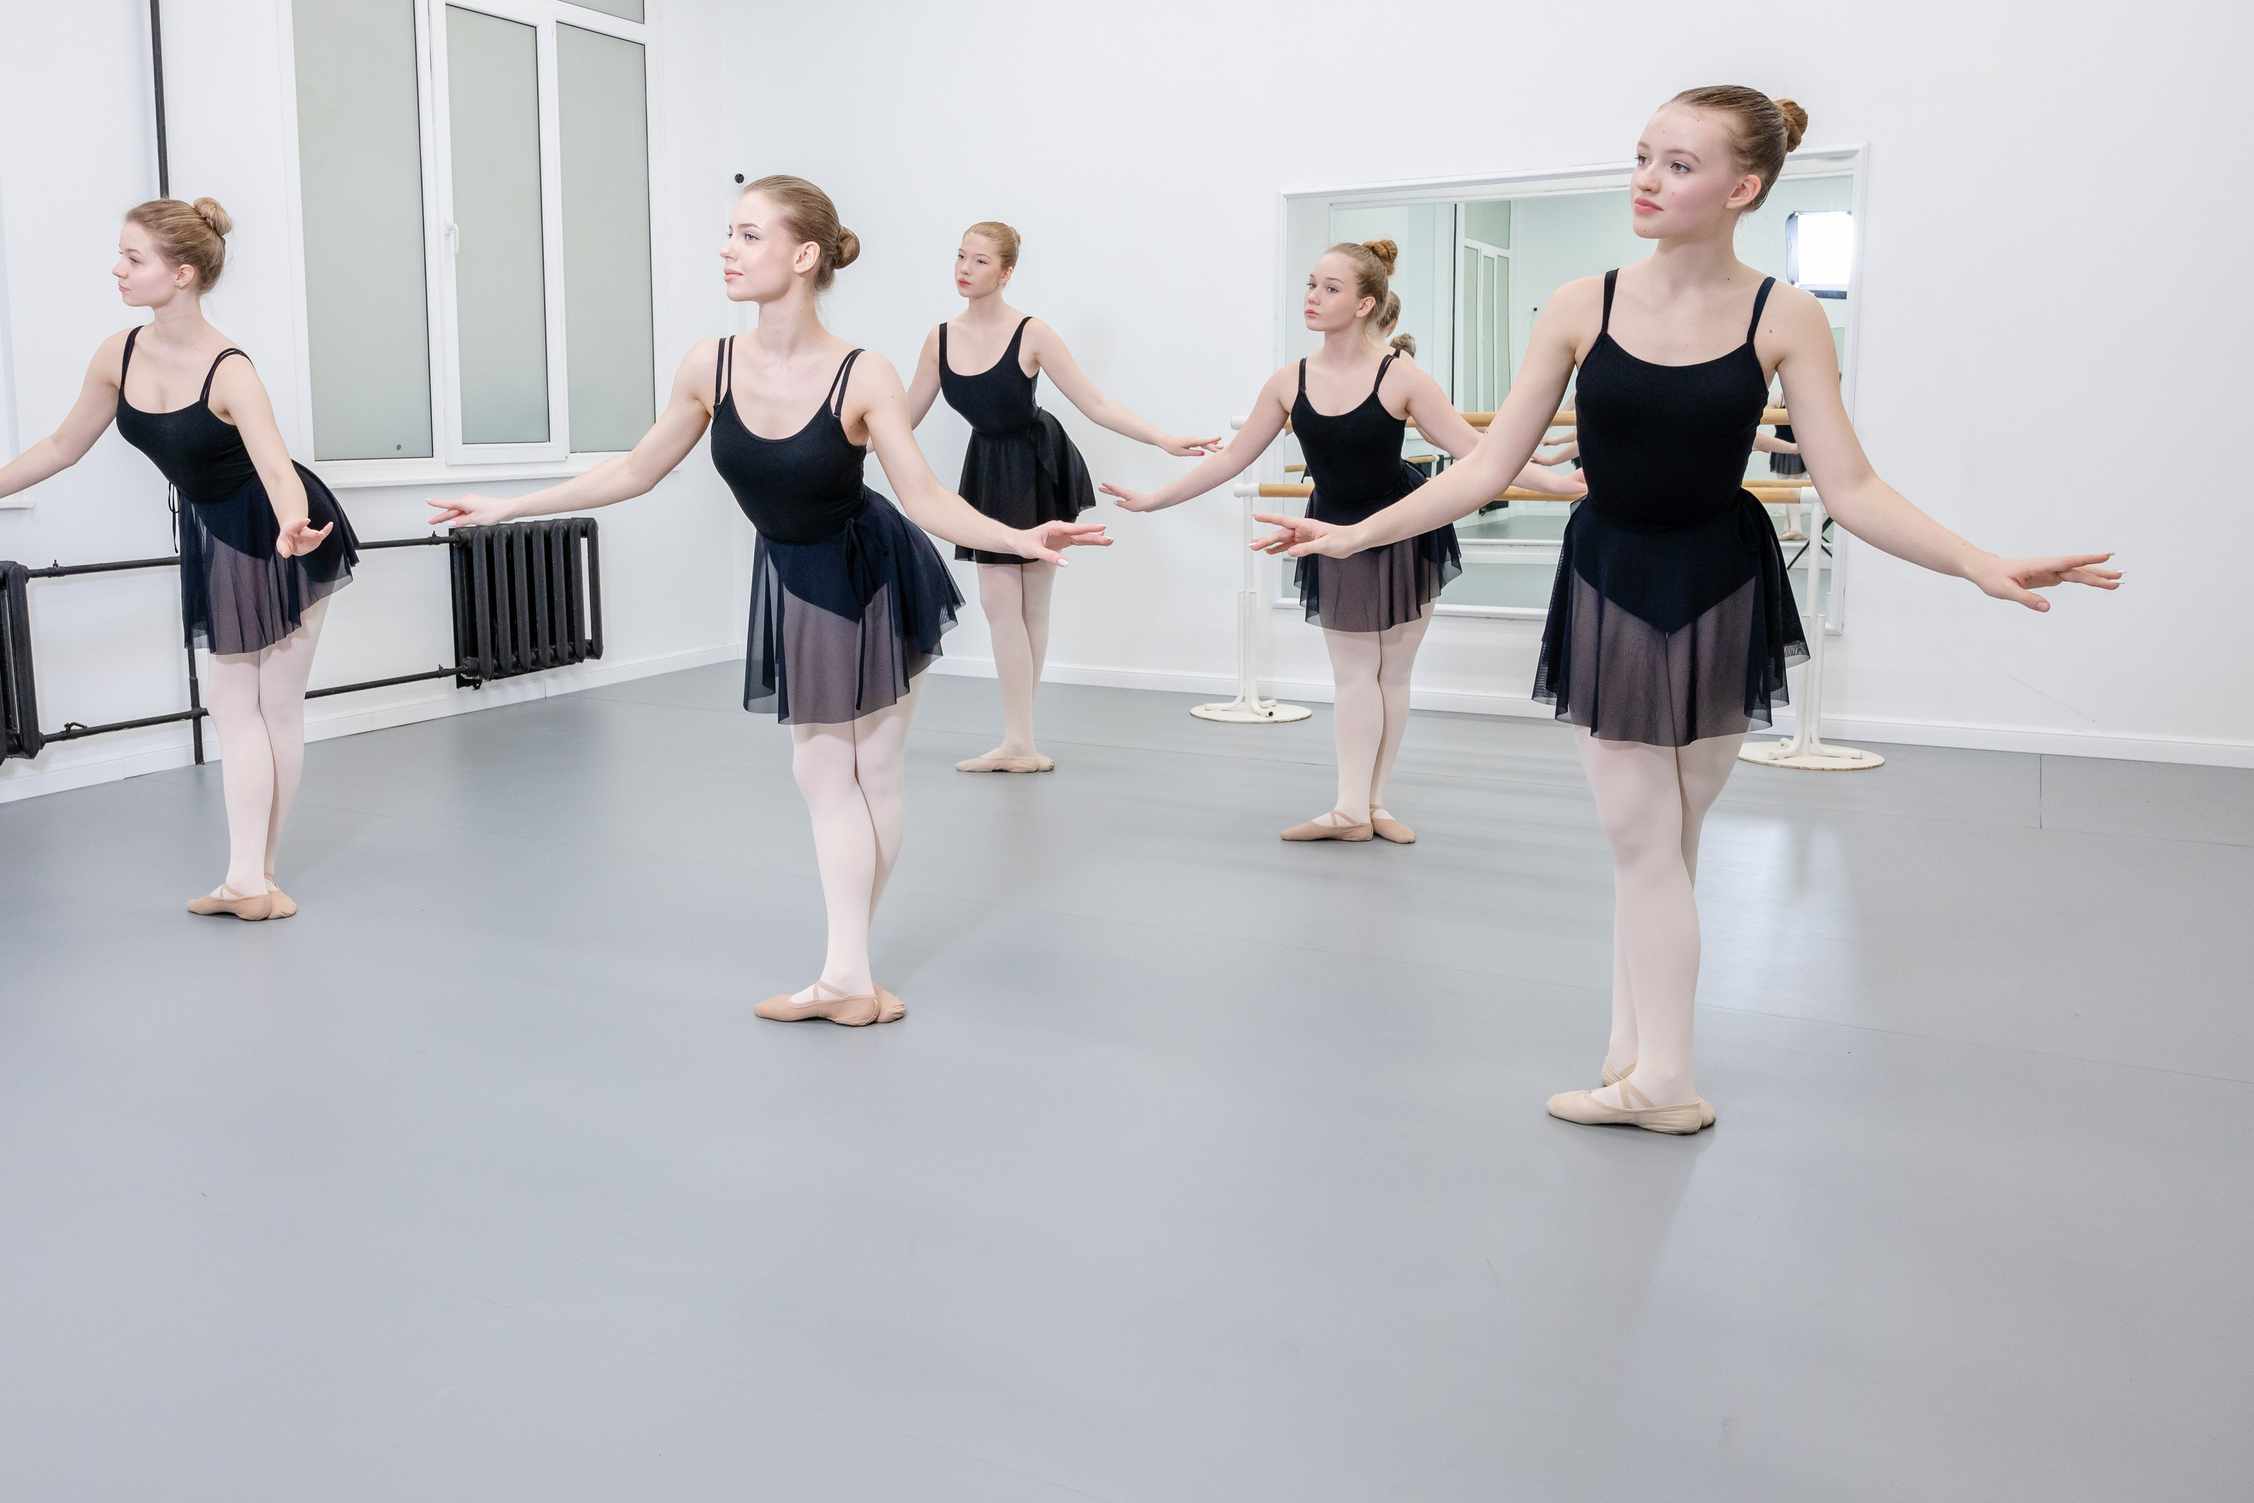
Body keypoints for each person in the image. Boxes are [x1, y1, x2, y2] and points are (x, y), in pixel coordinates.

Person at [1256, 89, 2119, 1134]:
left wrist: (1977, 562)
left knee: (1664, 838)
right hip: (1612, 576)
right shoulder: (1582, 305)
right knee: (1645, 836)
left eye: (1677, 164)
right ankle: (1637, 1055)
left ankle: (1660, 1076)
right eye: (1641, 157)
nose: (1646, 180)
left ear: (1742, 187)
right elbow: (1486, 466)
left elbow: (1850, 486)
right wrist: (1353, 535)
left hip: (1721, 579)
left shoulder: (1784, 315)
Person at [430, 177, 1106, 1026]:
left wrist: (1019, 537)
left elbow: (925, 496)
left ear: (804, 254)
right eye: (730, 233)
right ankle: (850, 976)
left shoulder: (863, 373)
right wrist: (510, 505)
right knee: (826, 770)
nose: (728, 249)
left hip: (872, 568)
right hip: (794, 571)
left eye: (750, 235)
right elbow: (637, 468)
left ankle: (846, 975)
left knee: (862, 769)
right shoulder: (708, 366)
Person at [0, 198, 357, 921]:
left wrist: (295, 524)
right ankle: (247, 881)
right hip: (220, 531)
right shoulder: (118, 354)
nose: (118, 269)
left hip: (285, 531)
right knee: (234, 706)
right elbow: (60, 447)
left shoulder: (231, 369)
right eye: (122, 254)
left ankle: (256, 876)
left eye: (133, 258)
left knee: (273, 708)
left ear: (182, 273)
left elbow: (275, 466)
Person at [1102, 240, 1578, 843]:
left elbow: (1480, 453)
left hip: (1405, 526)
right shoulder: (1289, 382)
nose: (1312, 297)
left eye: (1330, 288)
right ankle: (1350, 808)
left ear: (1364, 304)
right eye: (1310, 284)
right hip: (1330, 530)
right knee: (1354, 673)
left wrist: (1558, 485)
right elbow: (1232, 460)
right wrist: (1155, 500)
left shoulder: (1400, 377)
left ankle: (1373, 805)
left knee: (1393, 674)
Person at [905, 223, 1218, 773]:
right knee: (1000, 604)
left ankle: (1019, 742)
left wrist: (1164, 439)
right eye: (960, 256)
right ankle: (1019, 743)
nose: (965, 269)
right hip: (987, 467)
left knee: (1032, 605)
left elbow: (1095, 404)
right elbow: (902, 417)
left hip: (1037, 464)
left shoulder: (1032, 333)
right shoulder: (940, 339)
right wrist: (836, 441)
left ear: (1006, 272)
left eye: (980, 261)